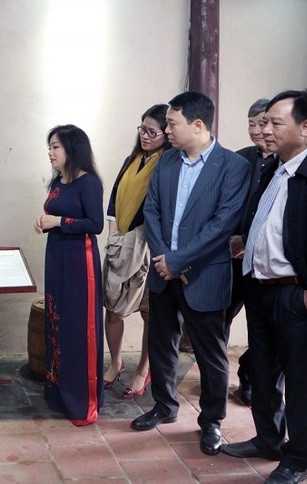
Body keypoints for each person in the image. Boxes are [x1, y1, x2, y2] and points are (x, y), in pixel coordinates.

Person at [221, 89, 307, 484]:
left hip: (297, 296)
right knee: (260, 372)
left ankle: (297, 457)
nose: (265, 130)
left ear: (306, 127)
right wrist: (247, 242)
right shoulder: (272, 170)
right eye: (263, 123)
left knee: (298, 380)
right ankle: (267, 439)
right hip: (260, 289)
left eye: (276, 123)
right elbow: (274, 224)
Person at [131, 91, 250, 457]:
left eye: (172, 123)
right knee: (161, 343)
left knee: (210, 354)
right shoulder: (166, 161)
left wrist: (180, 261)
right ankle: (164, 406)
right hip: (164, 272)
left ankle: (211, 421)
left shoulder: (233, 166)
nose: (166, 130)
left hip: (205, 274)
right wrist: (166, 259)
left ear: (198, 125)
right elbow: (151, 211)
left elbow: (223, 224)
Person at [34, 124, 104, 426]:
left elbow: (95, 224)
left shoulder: (88, 183)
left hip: (80, 261)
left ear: (72, 149)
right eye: (49, 147)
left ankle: (82, 401)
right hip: (56, 255)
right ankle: (59, 392)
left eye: (56, 147)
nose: (50, 153)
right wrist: (44, 223)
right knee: (57, 320)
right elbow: (56, 217)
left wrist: (58, 221)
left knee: (79, 327)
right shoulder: (58, 181)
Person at [103, 104, 169, 398]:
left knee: (148, 313)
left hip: (150, 250)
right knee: (113, 308)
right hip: (121, 245)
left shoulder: (168, 164)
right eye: (142, 129)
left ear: (167, 135)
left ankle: (143, 369)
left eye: (152, 131)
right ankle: (116, 361)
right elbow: (115, 198)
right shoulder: (133, 159)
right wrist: (114, 235)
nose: (145, 135)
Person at [226, 98, 277, 406]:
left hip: (265, 262)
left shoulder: (285, 163)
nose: (257, 131)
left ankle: (249, 375)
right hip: (232, 259)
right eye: (251, 124)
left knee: (265, 328)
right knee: (221, 319)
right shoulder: (239, 159)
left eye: (263, 123)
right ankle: (215, 379)